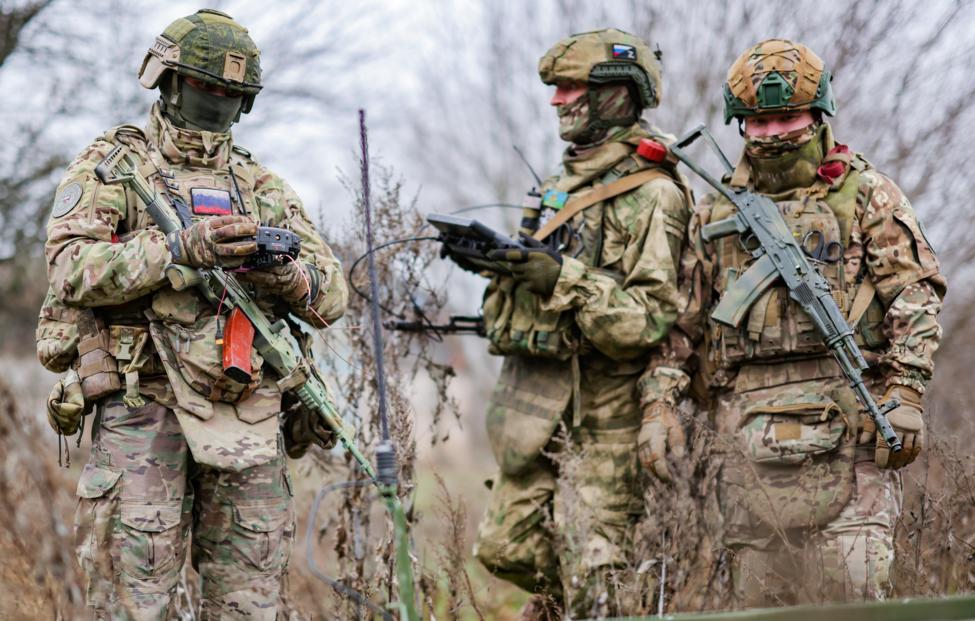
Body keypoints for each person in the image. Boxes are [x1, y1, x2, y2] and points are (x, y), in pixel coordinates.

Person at [38, 9, 346, 619]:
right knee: (133, 600)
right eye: (206, 87)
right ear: (170, 82)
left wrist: (288, 276)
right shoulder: (116, 167)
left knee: (249, 603)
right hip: (143, 404)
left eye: (230, 93)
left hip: (248, 411)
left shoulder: (260, 185)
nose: (217, 102)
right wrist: (176, 249)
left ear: (246, 101)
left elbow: (331, 293)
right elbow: (70, 268)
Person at [638, 38, 946, 606]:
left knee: (853, 592)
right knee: (759, 601)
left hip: (853, 424)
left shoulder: (866, 194)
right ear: (739, 124)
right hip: (745, 438)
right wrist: (659, 407)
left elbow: (915, 293)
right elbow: (680, 327)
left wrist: (905, 390)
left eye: (788, 118)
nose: (773, 134)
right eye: (758, 122)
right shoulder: (714, 210)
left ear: (819, 114)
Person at [451, 28, 692, 619]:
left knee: (597, 577)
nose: (557, 100)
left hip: (609, 415)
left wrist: (561, 278)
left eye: (571, 87)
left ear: (617, 93)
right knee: (504, 548)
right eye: (555, 88)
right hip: (541, 404)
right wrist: (502, 268)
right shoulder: (559, 185)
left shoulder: (654, 194)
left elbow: (649, 320)